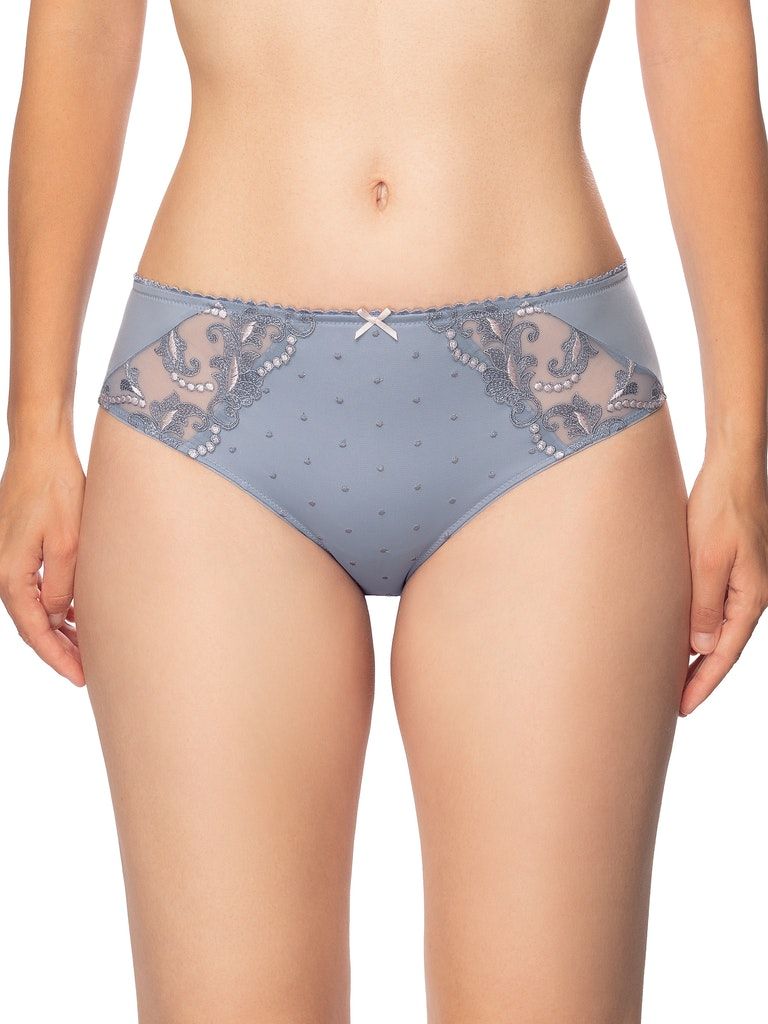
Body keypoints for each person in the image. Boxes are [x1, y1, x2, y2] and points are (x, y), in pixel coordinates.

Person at [1, 1, 766, 1021]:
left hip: (552, 404)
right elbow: (85, 25)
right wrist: (34, 424)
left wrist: (744, 445)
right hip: (209, 406)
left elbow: (698, 28)